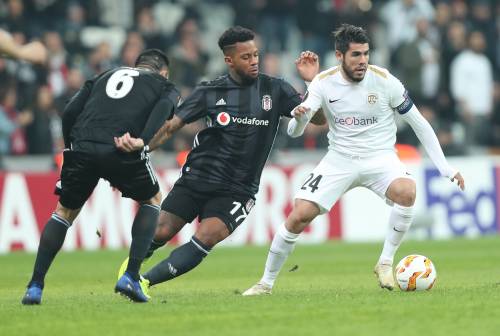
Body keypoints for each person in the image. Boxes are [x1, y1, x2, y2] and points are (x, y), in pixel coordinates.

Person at [243, 24, 465, 296]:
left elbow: (419, 123)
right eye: (356, 55)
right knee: (299, 216)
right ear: (339, 56)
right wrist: (300, 116)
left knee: (407, 191)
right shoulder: (323, 83)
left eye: (366, 54)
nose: (363, 62)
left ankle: (385, 262)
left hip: (380, 158)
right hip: (340, 159)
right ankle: (265, 283)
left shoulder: (385, 81)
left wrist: (445, 167)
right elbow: (294, 129)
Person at [114, 26, 326, 294]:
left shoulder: (276, 89)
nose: (254, 61)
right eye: (246, 57)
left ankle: (142, 282)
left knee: (206, 238)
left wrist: (312, 83)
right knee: (161, 232)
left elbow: (317, 121)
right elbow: (171, 126)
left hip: (238, 188)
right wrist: (142, 148)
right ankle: (129, 272)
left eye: (256, 55)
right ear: (229, 60)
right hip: (198, 177)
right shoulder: (210, 91)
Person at [21, 49, 180, 304]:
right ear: (163, 71)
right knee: (152, 201)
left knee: (64, 212)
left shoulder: (105, 75)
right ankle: (130, 275)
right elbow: (163, 107)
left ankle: (35, 286)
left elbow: (70, 111)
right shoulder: (164, 84)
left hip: (83, 145)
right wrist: (143, 140)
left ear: (136, 65)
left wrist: (71, 144)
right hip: (122, 146)